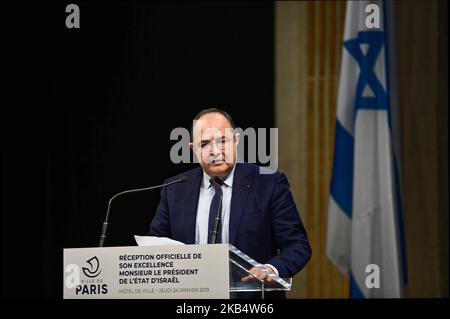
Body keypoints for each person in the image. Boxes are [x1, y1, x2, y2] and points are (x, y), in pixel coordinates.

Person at [149, 108, 311, 296]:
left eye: (222, 141)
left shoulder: (269, 184)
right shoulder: (175, 188)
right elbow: (156, 247)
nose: (215, 151)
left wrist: (271, 269)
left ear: (237, 140)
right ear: (193, 149)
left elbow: (298, 246)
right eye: (205, 144)